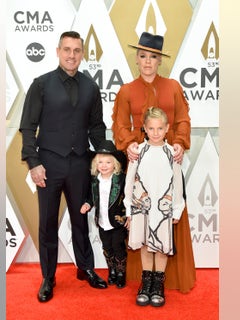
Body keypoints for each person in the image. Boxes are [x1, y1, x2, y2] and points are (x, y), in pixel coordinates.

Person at [19, 30, 108, 303]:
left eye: (77, 50)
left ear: (82, 54)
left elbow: (96, 127)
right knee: (47, 222)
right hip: (48, 164)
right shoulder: (41, 84)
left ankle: (86, 268)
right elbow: (28, 126)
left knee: (81, 219)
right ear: (58, 51)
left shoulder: (91, 88)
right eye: (67, 49)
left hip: (80, 164)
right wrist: (33, 163)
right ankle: (48, 277)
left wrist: (106, 156)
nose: (72, 55)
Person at [111, 32, 196, 294]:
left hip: (169, 164)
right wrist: (129, 144)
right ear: (137, 59)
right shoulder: (126, 90)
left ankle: (165, 280)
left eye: (154, 57)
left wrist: (180, 142)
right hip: (141, 164)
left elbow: (182, 119)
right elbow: (120, 125)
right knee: (143, 221)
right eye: (143, 56)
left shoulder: (173, 86)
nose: (148, 61)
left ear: (160, 60)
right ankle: (146, 279)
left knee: (169, 217)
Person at [124, 107, 185, 307]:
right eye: (151, 128)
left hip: (163, 207)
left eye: (160, 128)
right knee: (144, 244)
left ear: (167, 128)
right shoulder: (138, 152)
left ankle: (158, 283)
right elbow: (129, 181)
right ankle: (146, 281)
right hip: (141, 206)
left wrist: (177, 209)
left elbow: (177, 183)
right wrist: (128, 207)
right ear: (145, 129)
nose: (156, 132)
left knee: (160, 245)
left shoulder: (172, 153)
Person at [80, 140, 128, 288]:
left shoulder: (121, 180)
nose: (104, 165)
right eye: (100, 162)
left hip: (117, 221)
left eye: (108, 162)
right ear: (95, 164)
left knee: (118, 247)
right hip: (102, 222)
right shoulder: (95, 181)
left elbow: (128, 198)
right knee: (107, 247)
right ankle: (112, 270)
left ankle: (121, 273)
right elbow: (92, 196)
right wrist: (88, 204)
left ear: (115, 164)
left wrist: (128, 216)